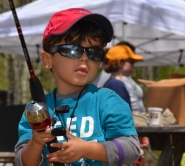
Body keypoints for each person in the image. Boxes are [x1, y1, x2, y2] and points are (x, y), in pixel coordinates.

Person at [14, 8, 141, 166]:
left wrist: (88, 150)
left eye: (93, 52)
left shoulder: (109, 101)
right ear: (47, 59)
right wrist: (36, 142)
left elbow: (131, 149)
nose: (84, 58)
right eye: (72, 49)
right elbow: (21, 162)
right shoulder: (35, 111)